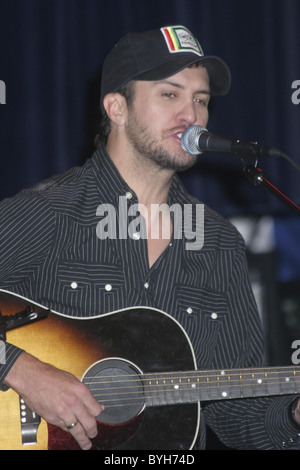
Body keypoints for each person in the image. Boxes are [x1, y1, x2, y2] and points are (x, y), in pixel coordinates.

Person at [0, 24, 300, 451]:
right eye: (169, 94)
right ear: (117, 108)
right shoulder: (50, 211)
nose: (192, 114)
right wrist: (22, 370)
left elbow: (237, 415)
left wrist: (292, 416)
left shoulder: (218, 243)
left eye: (201, 99)